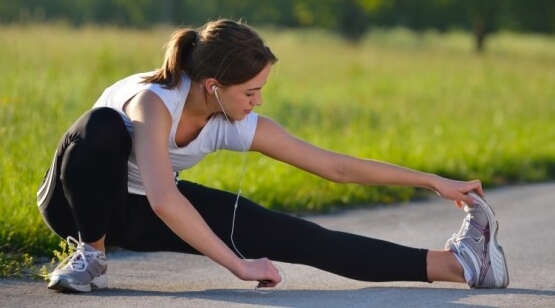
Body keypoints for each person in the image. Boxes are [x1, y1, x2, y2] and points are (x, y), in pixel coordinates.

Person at [37, 18, 509, 293]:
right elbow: (164, 197)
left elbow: (335, 167)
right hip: (75, 204)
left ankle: (460, 264)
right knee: (99, 128)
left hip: (138, 211)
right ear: (213, 87)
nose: (258, 102)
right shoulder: (153, 102)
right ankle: (90, 258)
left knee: (294, 234)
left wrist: (433, 181)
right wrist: (239, 266)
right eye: (252, 91)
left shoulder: (230, 116)